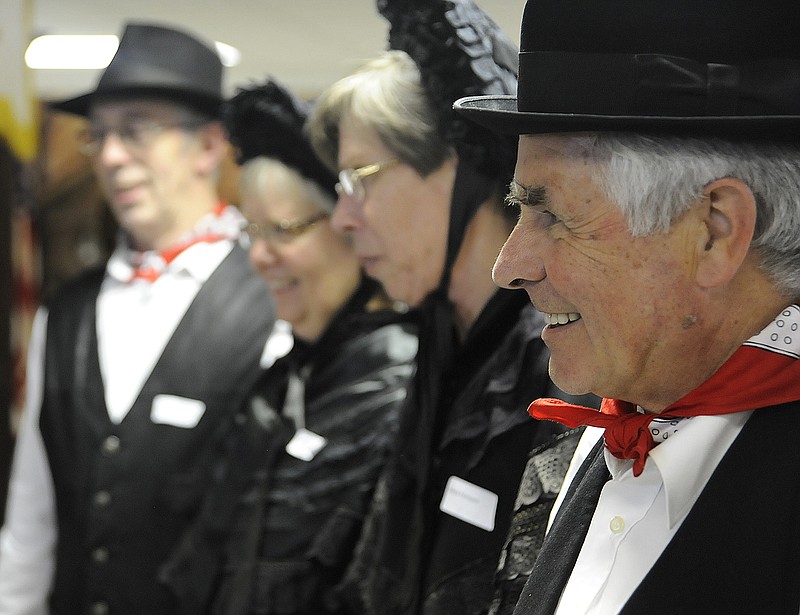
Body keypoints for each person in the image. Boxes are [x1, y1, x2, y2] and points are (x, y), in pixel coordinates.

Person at [454, 0, 800, 613]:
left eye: (552, 216)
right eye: (519, 211)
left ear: (714, 232)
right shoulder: (583, 443)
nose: (508, 267)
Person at [306, 1, 595, 613]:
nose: (343, 218)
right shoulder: (445, 343)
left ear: (459, 168)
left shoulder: (558, 362)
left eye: (361, 177)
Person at [0, 23, 276, 615]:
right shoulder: (65, 310)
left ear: (207, 146)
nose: (112, 156)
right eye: (98, 136)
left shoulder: (273, 295)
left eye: (138, 130)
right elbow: (33, 509)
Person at [160, 78, 418, 615]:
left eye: (283, 229)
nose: (259, 257)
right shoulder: (283, 379)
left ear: (350, 226)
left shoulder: (399, 384)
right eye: (254, 232)